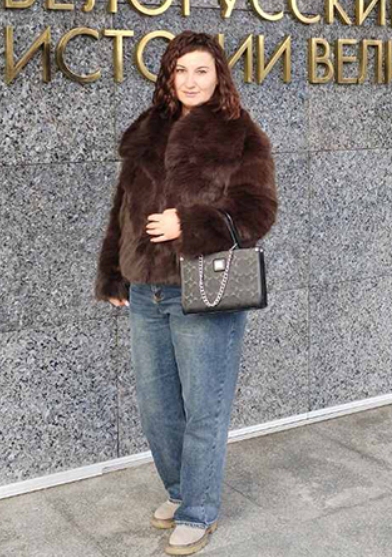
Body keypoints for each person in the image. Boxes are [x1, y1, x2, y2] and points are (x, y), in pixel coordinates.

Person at [94, 30, 278, 555]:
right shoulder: (148, 130)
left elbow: (259, 211)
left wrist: (191, 223)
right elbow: (122, 209)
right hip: (145, 291)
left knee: (204, 408)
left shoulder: (240, 135)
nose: (191, 81)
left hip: (203, 287)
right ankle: (179, 491)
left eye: (202, 70)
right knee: (157, 408)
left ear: (219, 75)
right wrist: (114, 273)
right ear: (168, 77)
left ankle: (199, 509)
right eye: (181, 71)